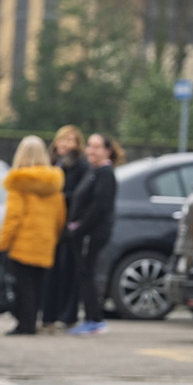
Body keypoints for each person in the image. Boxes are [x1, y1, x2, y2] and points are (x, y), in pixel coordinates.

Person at [0, 136, 66, 335]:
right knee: (37, 285)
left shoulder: (18, 181)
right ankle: (32, 321)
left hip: (22, 242)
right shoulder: (53, 182)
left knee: (22, 285)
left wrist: (3, 242)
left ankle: (24, 324)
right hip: (45, 241)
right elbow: (60, 216)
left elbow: (13, 216)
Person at [67, 133, 124, 336]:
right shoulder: (94, 171)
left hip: (92, 233)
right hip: (84, 232)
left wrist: (79, 228)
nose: (91, 150)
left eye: (97, 147)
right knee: (84, 273)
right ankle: (91, 318)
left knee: (87, 273)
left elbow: (99, 207)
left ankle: (95, 320)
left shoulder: (105, 173)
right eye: (89, 146)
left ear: (107, 151)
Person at [40, 125, 87, 332]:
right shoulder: (49, 163)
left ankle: (67, 316)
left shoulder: (80, 166)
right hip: (49, 225)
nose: (65, 144)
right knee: (49, 272)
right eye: (62, 139)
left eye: (70, 140)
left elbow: (79, 196)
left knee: (67, 271)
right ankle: (47, 314)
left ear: (77, 144)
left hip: (68, 225)